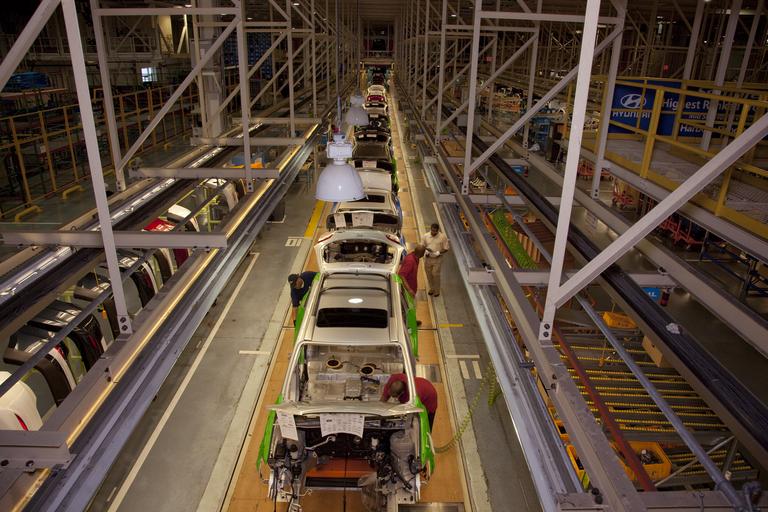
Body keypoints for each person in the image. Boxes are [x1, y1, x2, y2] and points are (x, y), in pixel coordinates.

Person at [422, 223, 449, 297]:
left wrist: (439, 252)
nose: (433, 232)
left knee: (435, 274)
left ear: (438, 230)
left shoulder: (442, 237)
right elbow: (423, 245)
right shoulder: (425, 236)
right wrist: (426, 251)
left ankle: (437, 290)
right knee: (429, 274)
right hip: (428, 258)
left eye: (435, 231)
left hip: (437, 259)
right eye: (432, 230)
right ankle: (432, 288)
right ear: (430, 229)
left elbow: (446, 248)